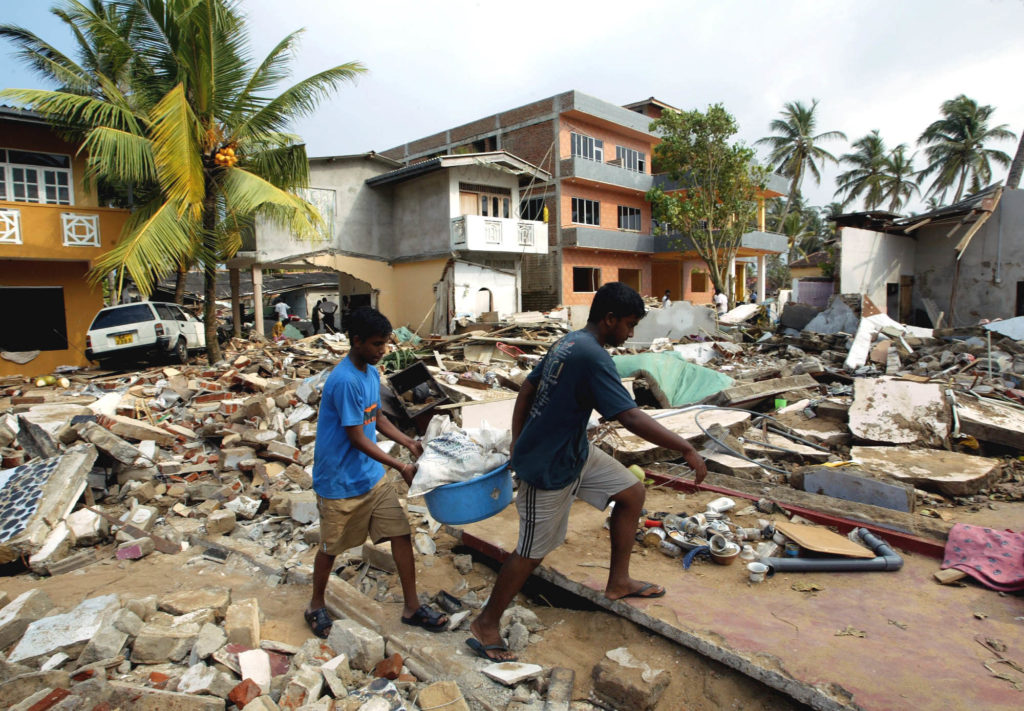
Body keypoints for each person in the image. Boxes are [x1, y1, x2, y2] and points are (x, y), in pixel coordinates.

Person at [466, 282, 708, 662]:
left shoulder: (569, 342)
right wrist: (687, 447)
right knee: (531, 552)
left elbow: (527, 389)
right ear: (609, 319)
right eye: (628, 324)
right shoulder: (592, 356)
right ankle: (486, 623)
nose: (630, 334)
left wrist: (518, 439)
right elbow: (629, 415)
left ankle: (618, 581)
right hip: (548, 467)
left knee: (631, 492)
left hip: (573, 452)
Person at [304, 306, 448, 639]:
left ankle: (411, 607)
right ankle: (315, 605)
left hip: (371, 478)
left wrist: (409, 443)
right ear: (356, 342)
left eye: (385, 343)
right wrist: (399, 465)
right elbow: (356, 437)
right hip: (339, 482)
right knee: (330, 548)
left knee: (400, 534)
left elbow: (377, 417)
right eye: (376, 344)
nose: (383, 350)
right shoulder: (343, 381)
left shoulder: (369, 373)